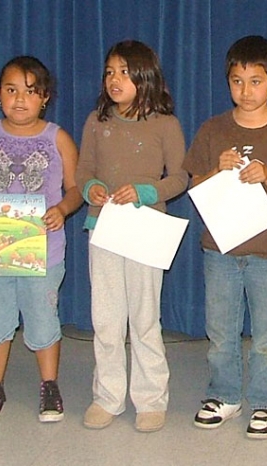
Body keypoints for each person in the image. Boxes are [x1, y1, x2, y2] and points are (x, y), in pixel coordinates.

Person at [184, 35, 267, 440]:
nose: (246, 90)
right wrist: (216, 172)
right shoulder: (212, 129)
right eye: (237, 81)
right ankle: (224, 395)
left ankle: (266, 403)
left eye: (256, 81)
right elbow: (194, 187)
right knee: (221, 332)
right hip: (220, 251)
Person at [0, 56, 82, 425]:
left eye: (30, 92)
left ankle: (49, 384)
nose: (19, 99)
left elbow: (76, 189)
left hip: (42, 249)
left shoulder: (58, 138)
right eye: (11, 90)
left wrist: (62, 209)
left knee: (43, 316)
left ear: (44, 97)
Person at [76, 40, 188, 433]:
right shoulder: (96, 121)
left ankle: (151, 398)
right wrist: (90, 187)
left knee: (144, 318)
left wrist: (144, 192)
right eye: (109, 72)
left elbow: (179, 177)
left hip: (145, 231)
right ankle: (107, 396)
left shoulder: (165, 124)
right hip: (103, 229)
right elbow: (82, 169)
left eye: (124, 72)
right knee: (106, 319)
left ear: (145, 76)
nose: (114, 80)